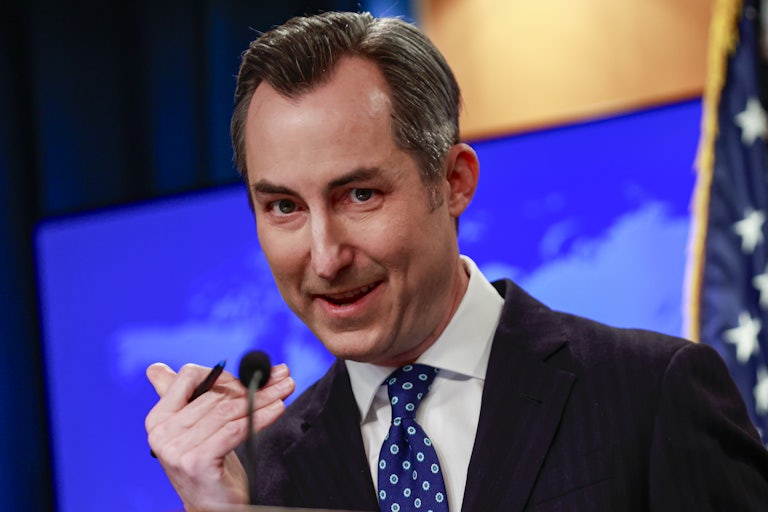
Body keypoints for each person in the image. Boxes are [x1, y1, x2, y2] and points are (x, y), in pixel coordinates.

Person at [145, 10, 768, 511]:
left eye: (359, 195)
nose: (326, 257)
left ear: (453, 181)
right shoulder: (258, 475)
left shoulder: (651, 393)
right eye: (283, 206)